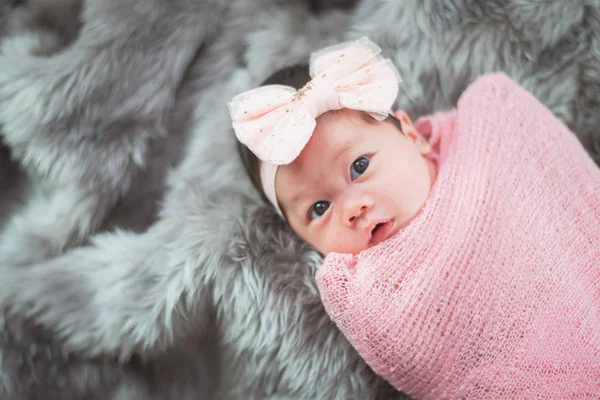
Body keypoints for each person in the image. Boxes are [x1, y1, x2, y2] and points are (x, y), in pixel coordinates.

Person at [229, 38, 600, 399]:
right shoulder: (366, 295)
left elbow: (565, 198)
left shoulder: (488, 136)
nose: (351, 208)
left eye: (359, 167)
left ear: (412, 135)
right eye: (319, 209)